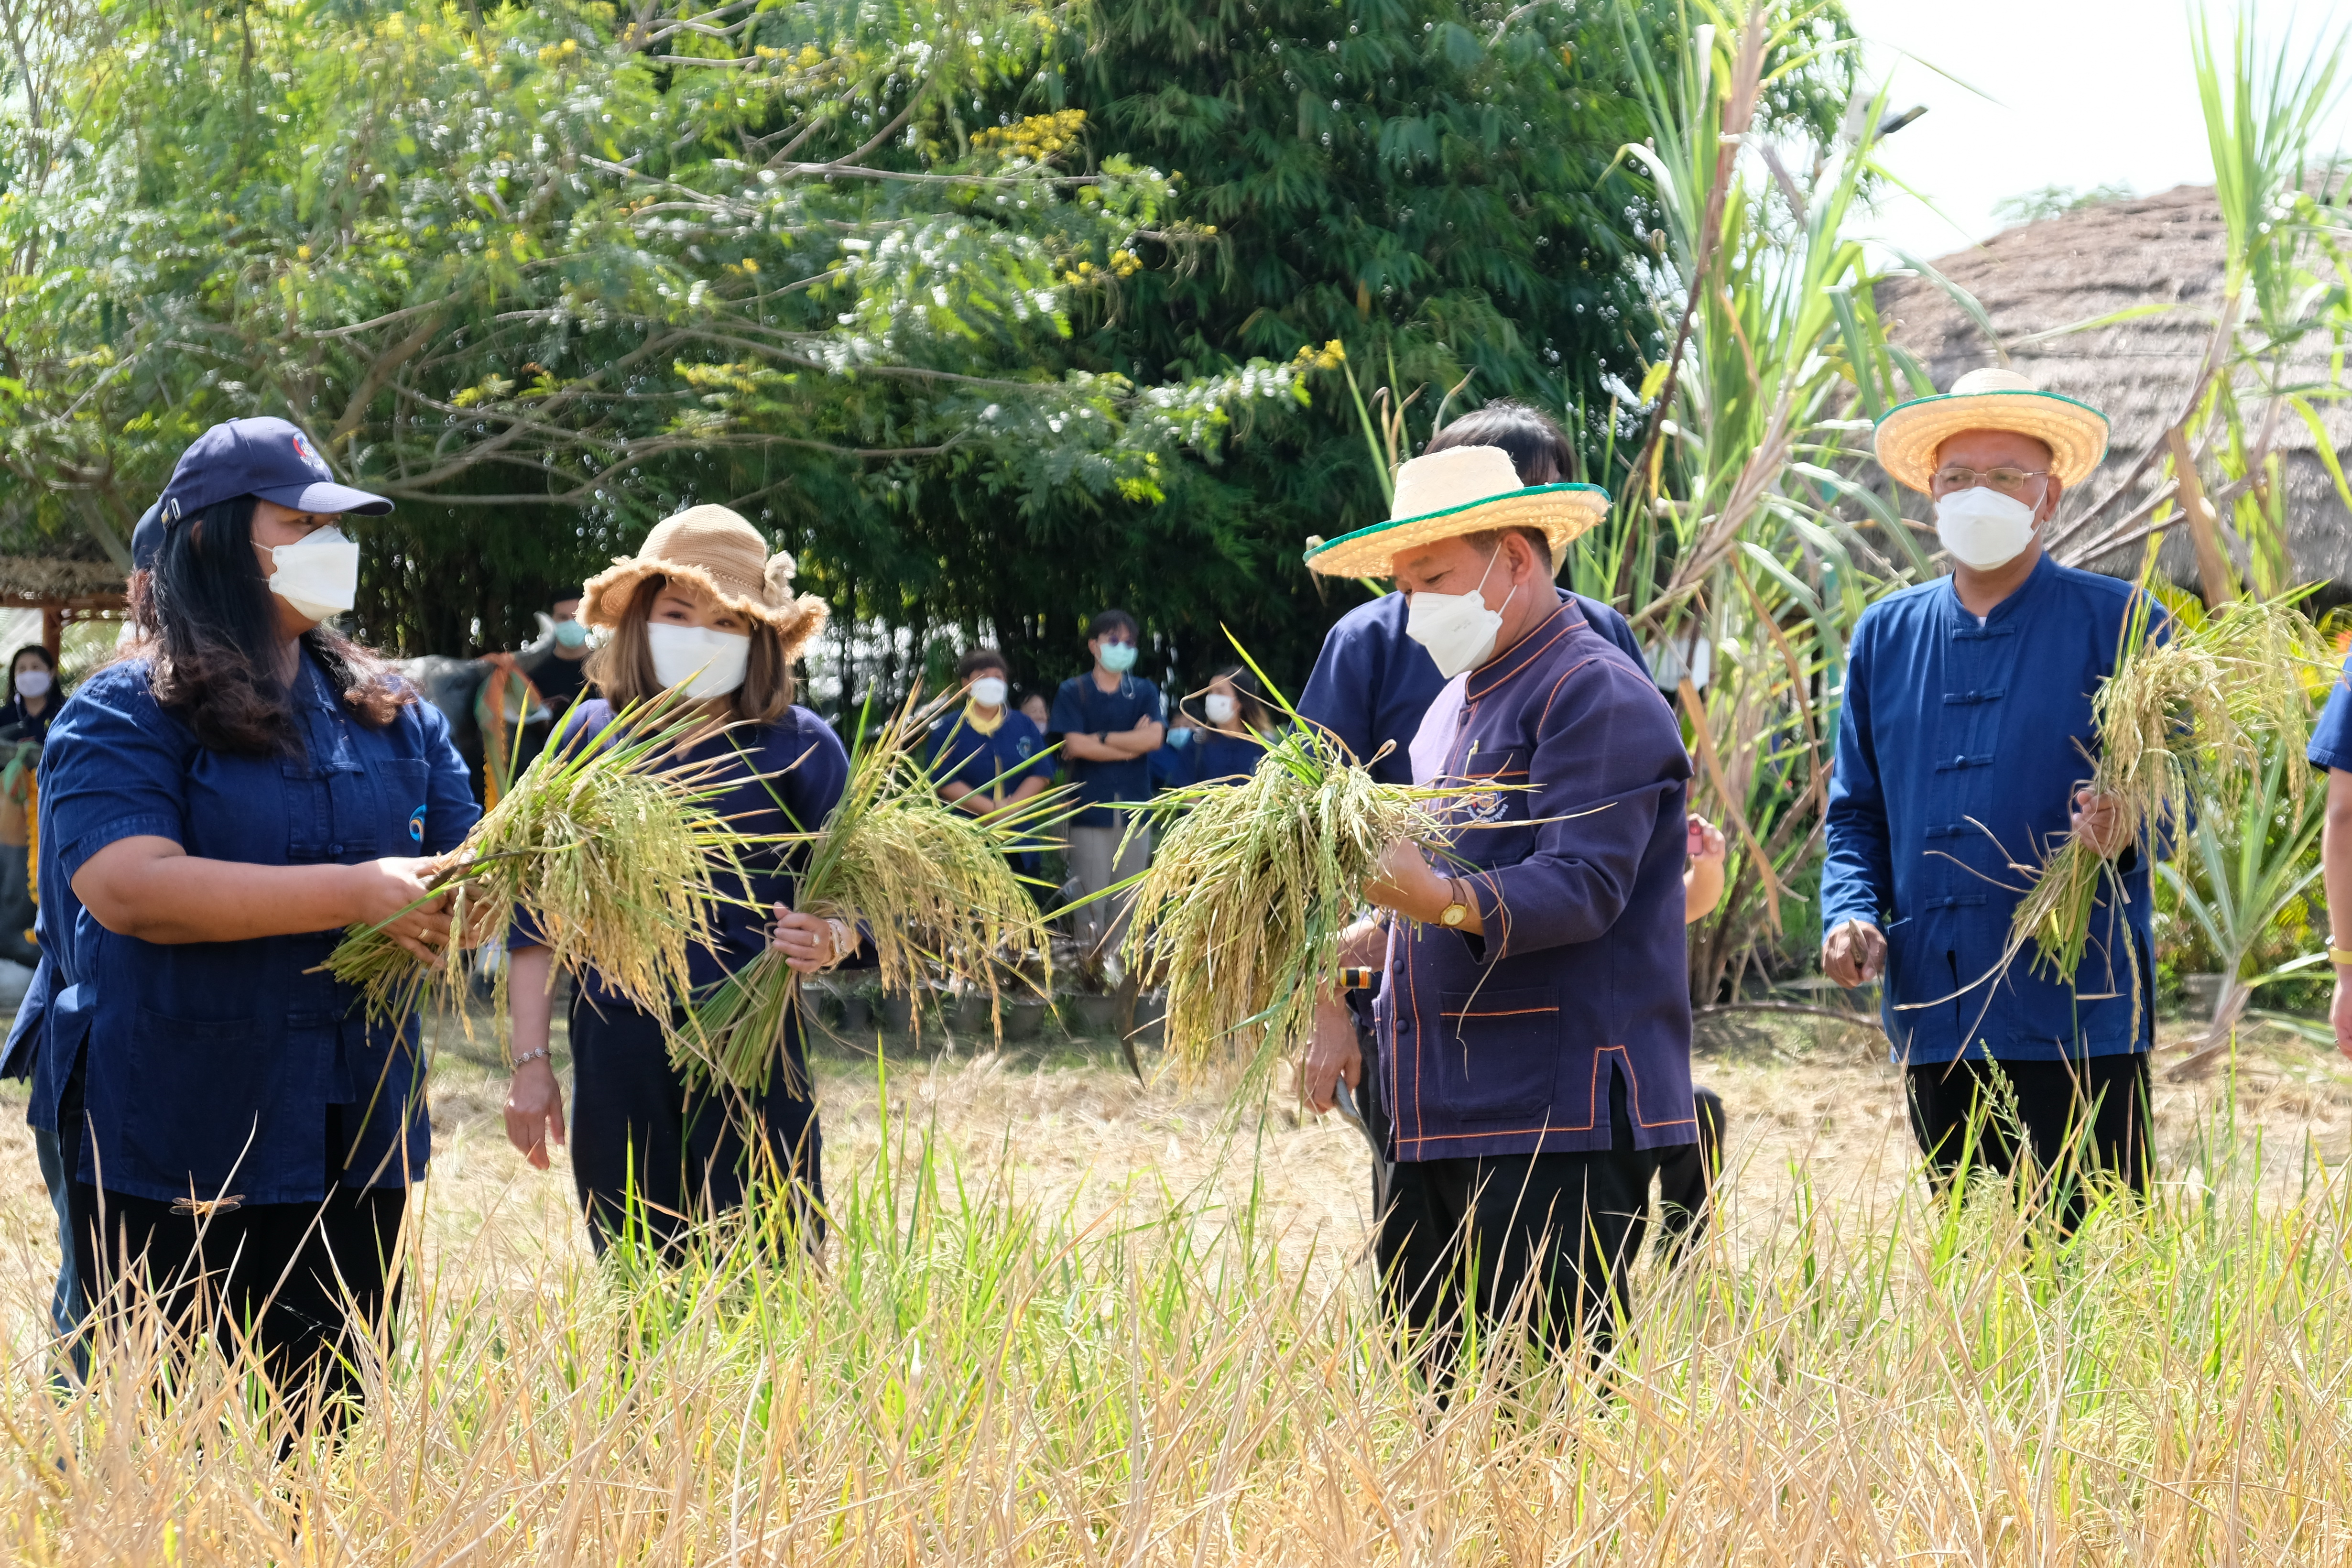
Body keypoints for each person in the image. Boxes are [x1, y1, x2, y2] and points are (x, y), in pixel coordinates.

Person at [5, 416, 477, 1425]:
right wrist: (357, 894)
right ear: (217, 537)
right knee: (158, 1431)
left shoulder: (395, 710)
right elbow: (131, 887)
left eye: (336, 524)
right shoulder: (125, 710)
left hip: (349, 1124)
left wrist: (490, 894)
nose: (328, 544)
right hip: (173, 1122)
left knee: (325, 1423)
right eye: (299, 521)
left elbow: (466, 872)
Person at [1300, 443, 1697, 1360]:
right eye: (1402, 587)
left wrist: (1434, 899)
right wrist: (1381, 932)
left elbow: (1586, 883)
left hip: (1550, 1112)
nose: (1414, 610)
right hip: (1439, 1102)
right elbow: (1442, 887)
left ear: (1516, 558)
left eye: (1433, 578)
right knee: (1437, 1392)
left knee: (1546, 1401)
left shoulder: (1593, 689)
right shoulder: (1453, 706)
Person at [1821, 368, 2152, 1231]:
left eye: (2008, 477)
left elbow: (2175, 794)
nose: (1982, 495)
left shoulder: (2122, 623)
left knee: (2096, 1268)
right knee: (1972, 1262)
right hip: (1938, 1001)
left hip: (2078, 1008)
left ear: (2050, 497)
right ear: (1930, 492)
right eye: (1960, 477)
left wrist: (2126, 826)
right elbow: (1857, 813)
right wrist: (1850, 914)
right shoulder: (1885, 636)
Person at [501, 505, 853, 1259]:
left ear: (760, 636)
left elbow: (859, 893)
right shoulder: (590, 735)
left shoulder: (801, 746)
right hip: (616, 1033)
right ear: (642, 623)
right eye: (678, 613)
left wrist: (833, 936)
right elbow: (535, 913)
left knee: (771, 1266)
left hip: (751, 1037)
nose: (700, 636)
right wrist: (531, 1064)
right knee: (636, 1267)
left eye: (727, 622)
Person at [1299, 401, 1649, 785]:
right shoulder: (1368, 640)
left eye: (1548, 497)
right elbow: (1314, 802)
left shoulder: (1602, 635)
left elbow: (1634, 786)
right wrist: (1401, 842)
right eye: (1525, 497)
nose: (1536, 531)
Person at [1047, 610, 1165, 962]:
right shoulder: (1074, 690)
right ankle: (1088, 975)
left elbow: (1155, 739)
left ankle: (1119, 972)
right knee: (1089, 900)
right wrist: (1129, 746)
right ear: (1094, 646)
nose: (1122, 648)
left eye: (1129, 642)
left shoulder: (1143, 691)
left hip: (1134, 809)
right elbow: (1075, 747)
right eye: (1113, 641)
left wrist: (1100, 739)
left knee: (1128, 898)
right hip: (1089, 808)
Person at [929, 648, 1054, 879]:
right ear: (966, 683)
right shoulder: (948, 730)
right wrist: (993, 811)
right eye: (982, 677)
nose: (992, 683)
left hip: (1020, 841)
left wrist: (1012, 808)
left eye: (998, 677)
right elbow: (944, 780)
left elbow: (1042, 771)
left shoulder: (1023, 724)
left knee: (1024, 910)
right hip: (966, 844)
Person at [1184, 667, 1280, 785]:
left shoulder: (1264, 744)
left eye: (1220, 692)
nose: (1212, 698)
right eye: (1210, 692)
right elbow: (1185, 790)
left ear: (1239, 702)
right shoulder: (1198, 741)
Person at [520, 592, 594, 714]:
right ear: (551, 621)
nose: (571, 623)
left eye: (577, 617)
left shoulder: (609, 669)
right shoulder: (536, 676)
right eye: (563, 618)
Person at [4, 644, 60, 740]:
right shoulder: (4, 717)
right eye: (22, 669)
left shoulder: (66, 710)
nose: (28, 674)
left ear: (51, 673)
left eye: (35, 667)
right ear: (14, 677)